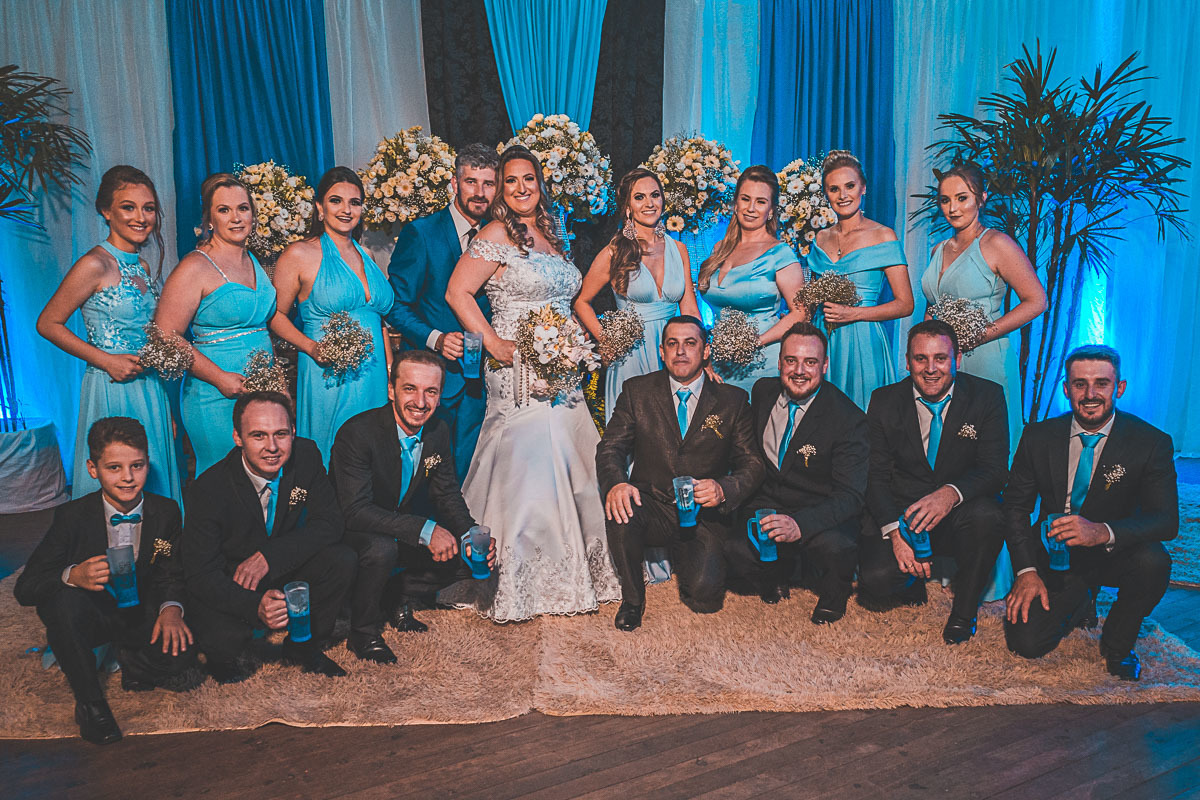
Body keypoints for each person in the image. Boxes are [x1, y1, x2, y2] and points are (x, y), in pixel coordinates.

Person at [441, 145, 620, 622]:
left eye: (529, 180)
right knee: (533, 461)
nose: (521, 188)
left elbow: (566, 300)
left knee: (574, 453)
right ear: (501, 188)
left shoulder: (552, 234)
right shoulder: (495, 233)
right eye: (512, 180)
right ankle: (521, 575)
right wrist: (494, 342)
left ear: (541, 186)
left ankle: (582, 567)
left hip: (562, 368)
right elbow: (457, 292)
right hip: (516, 368)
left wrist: (575, 346)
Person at [15, 417, 196, 745]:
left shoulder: (166, 511)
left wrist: (171, 609)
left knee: (182, 656)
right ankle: (91, 705)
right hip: (93, 612)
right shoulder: (72, 516)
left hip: (139, 609)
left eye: (137, 466)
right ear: (93, 469)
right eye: (114, 468)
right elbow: (26, 587)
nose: (128, 478)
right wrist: (73, 575)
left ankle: (131, 659)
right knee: (61, 600)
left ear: (147, 463)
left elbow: (172, 572)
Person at [1003, 346, 1176, 681]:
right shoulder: (1038, 436)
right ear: (1066, 389)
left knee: (1155, 561)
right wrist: (1025, 570)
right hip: (1057, 554)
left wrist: (1102, 532)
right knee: (1027, 643)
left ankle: (1117, 644)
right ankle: (1081, 599)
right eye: (1079, 384)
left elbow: (1166, 520)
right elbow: (1014, 507)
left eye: (1101, 383)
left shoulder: (1150, 442)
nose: (1090, 394)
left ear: (1119, 388)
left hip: (1116, 552)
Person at [921, 162, 1047, 603]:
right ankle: (957, 562)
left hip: (985, 361)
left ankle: (998, 574)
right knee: (953, 458)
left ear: (981, 198)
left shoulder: (996, 244)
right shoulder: (940, 249)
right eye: (945, 199)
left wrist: (984, 331)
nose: (953, 206)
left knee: (992, 461)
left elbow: (1036, 301)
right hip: (948, 365)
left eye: (962, 197)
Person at [597, 315, 764, 630]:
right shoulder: (637, 391)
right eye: (672, 344)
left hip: (703, 513)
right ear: (661, 351)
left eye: (690, 343)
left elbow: (753, 462)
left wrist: (723, 488)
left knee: (704, 596)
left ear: (706, 350)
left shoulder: (733, 400)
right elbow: (610, 448)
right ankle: (633, 600)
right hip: (652, 504)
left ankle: (689, 555)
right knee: (620, 511)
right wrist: (617, 483)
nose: (680, 352)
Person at [330, 350, 495, 664]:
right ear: (391, 390)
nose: (421, 402)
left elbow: (446, 494)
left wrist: (470, 535)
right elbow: (354, 510)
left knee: (465, 556)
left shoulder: (438, 430)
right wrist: (425, 529)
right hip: (352, 534)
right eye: (410, 389)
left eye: (431, 391)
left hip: (398, 528)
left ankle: (394, 596)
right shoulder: (357, 433)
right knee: (381, 550)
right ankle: (363, 633)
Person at [181, 391, 354, 682]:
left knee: (342, 559)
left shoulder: (307, 455)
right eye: (258, 436)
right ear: (238, 437)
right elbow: (200, 574)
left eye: (281, 434)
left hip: (283, 565)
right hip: (236, 580)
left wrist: (269, 558)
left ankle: (303, 647)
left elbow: (330, 523)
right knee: (224, 647)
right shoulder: (209, 488)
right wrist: (253, 606)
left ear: (293, 433)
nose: (272, 447)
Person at [36, 166, 182, 505]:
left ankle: (157, 553)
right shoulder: (94, 264)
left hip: (151, 388)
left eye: (148, 208)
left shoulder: (142, 266)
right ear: (106, 211)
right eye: (128, 207)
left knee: (154, 478)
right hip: (112, 388)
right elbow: (48, 323)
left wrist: (167, 409)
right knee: (119, 479)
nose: (141, 217)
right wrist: (106, 361)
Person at [858, 320, 1009, 644]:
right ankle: (912, 581)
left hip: (959, 513)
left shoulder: (987, 397)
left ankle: (964, 611)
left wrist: (951, 494)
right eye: (920, 359)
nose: (930, 369)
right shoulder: (884, 400)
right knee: (875, 581)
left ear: (956, 359)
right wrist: (896, 534)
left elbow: (995, 470)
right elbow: (876, 475)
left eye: (940, 358)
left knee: (990, 517)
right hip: (905, 512)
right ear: (908, 361)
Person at [725, 323, 867, 624]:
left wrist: (800, 525)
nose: (799, 370)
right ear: (779, 362)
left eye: (810, 362)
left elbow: (851, 497)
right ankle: (778, 571)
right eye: (791, 360)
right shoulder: (763, 391)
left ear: (825, 365)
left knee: (837, 549)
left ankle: (834, 592)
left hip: (818, 509)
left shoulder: (848, 418)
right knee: (733, 550)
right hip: (770, 502)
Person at [156, 173, 281, 476]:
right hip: (214, 394)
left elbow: (262, 328)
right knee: (221, 480)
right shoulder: (195, 266)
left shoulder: (253, 260)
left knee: (262, 478)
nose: (236, 218)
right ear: (209, 219)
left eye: (243, 208)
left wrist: (278, 384)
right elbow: (164, 335)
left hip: (260, 389)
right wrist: (219, 378)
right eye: (224, 210)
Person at [388, 143, 498, 481]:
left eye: (489, 184)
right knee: (425, 470)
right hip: (433, 377)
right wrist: (435, 340)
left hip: (483, 378)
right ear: (454, 183)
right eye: (471, 182)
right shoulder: (421, 233)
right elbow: (396, 305)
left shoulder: (501, 236)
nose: (480, 193)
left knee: (471, 467)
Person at [271, 167, 391, 465]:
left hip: (374, 374)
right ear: (320, 208)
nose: (346, 210)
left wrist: (391, 368)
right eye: (336, 201)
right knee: (332, 451)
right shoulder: (298, 254)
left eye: (355, 202)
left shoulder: (368, 256)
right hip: (329, 372)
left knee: (374, 453)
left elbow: (380, 321)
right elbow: (274, 317)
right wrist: (312, 348)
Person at [574, 167, 704, 421]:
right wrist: (608, 340)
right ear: (628, 207)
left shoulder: (679, 249)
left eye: (655, 195)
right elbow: (582, 301)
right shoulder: (615, 251)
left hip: (675, 351)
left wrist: (700, 351)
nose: (649, 203)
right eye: (639, 197)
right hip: (631, 355)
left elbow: (689, 306)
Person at [805, 150, 913, 411]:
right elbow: (811, 300)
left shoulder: (883, 235)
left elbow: (905, 304)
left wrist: (853, 313)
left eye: (850, 186)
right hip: (824, 338)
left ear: (863, 188)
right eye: (834, 189)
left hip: (864, 339)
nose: (843, 195)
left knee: (863, 418)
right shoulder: (820, 238)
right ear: (826, 194)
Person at [698, 165, 807, 393]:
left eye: (760, 202)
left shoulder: (780, 253)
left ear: (771, 211)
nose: (751, 208)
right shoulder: (719, 249)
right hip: (718, 366)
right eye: (745, 199)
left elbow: (801, 313)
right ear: (735, 204)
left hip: (760, 366)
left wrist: (755, 342)